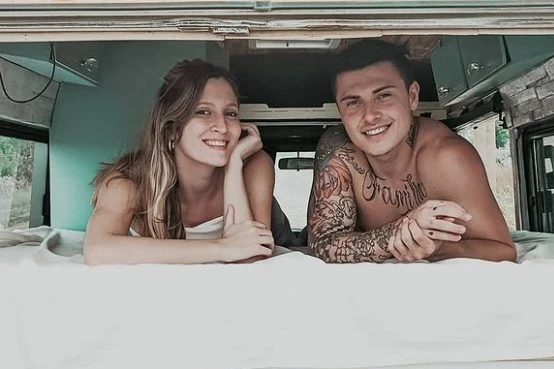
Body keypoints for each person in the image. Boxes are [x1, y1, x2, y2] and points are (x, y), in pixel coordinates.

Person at [307, 39, 516, 263]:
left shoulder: (448, 157)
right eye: (353, 102)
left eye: (383, 96)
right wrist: (398, 232)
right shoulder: (339, 150)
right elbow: (323, 244)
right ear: (340, 111)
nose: (370, 116)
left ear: (412, 96)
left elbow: (502, 250)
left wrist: (436, 248)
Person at [84, 59, 275, 265]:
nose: (222, 126)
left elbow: (253, 255)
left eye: (230, 114)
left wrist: (234, 166)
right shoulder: (127, 181)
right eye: (204, 112)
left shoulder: (254, 166)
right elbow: (97, 250)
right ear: (172, 130)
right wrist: (223, 248)